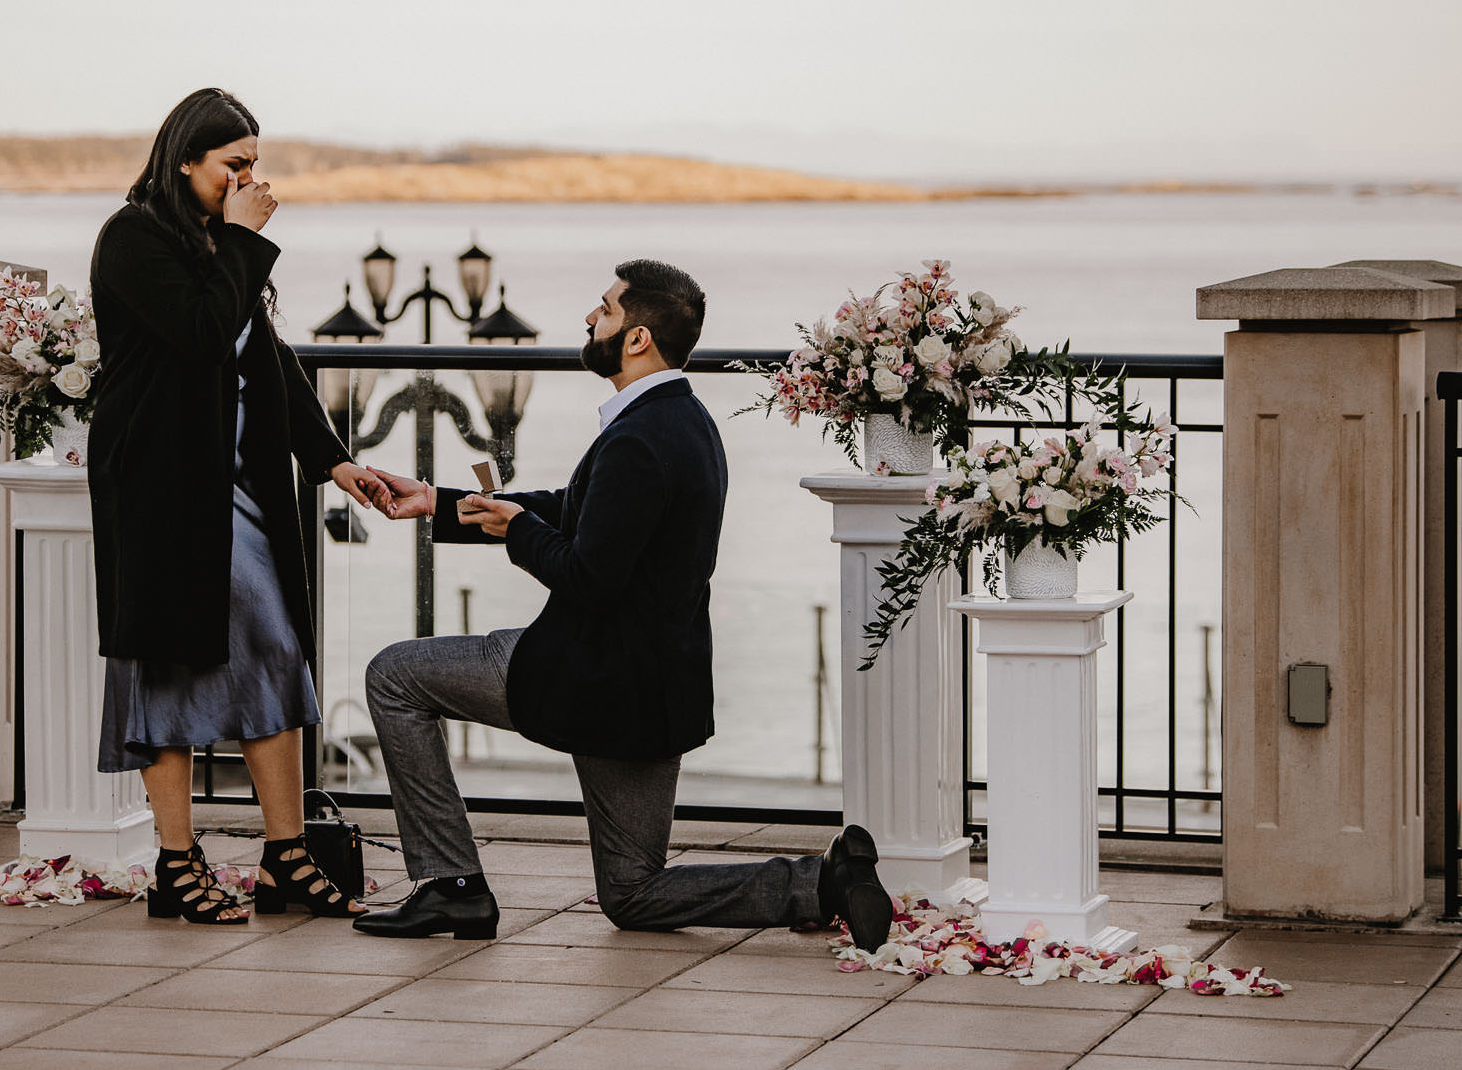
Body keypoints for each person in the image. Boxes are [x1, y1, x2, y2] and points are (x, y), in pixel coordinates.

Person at [354, 260, 893, 951]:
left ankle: (452, 885)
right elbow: (586, 516)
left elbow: (587, 573)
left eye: (603, 309)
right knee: (633, 890)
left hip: (590, 670)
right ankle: (822, 883)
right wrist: (443, 502)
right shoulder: (682, 420)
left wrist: (517, 530)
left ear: (636, 337)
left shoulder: (639, 436)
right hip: (653, 686)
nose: (589, 318)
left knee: (394, 675)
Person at [89, 87, 392, 925]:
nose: (249, 179)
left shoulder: (217, 245)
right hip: (159, 494)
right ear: (187, 159)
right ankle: (174, 863)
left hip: (239, 492)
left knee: (277, 649)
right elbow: (198, 329)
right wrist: (245, 240)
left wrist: (332, 461)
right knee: (168, 664)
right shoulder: (133, 239)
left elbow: (264, 356)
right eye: (234, 165)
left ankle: (285, 856)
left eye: (254, 165)